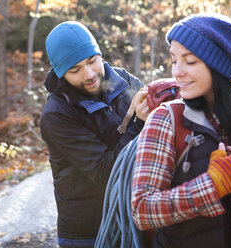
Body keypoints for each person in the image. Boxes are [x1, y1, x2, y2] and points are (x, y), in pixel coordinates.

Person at [131, 13, 231, 248]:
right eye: (174, 60)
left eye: (190, 61)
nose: (177, 71)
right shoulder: (166, 120)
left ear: (218, 65)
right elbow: (142, 210)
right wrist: (212, 185)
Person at [40, 21, 150, 247]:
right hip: (87, 232)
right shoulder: (56, 115)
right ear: (61, 73)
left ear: (99, 54)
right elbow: (105, 174)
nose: (89, 74)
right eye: (75, 69)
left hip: (135, 220)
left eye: (92, 61)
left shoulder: (123, 80)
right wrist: (139, 123)